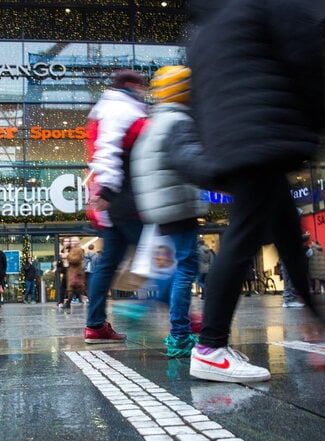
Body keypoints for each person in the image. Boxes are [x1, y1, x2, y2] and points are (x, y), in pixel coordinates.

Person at [173, 2, 325, 383]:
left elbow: (197, 97)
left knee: (286, 230)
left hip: (237, 138)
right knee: (243, 236)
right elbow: (303, 54)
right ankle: (210, 347)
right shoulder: (261, 4)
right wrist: (313, 126)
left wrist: (215, 149)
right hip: (263, 130)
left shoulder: (202, 31)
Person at [130, 65, 208, 358]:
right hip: (177, 204)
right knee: (186, 268)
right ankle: (178, 335)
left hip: (159, 207)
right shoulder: (177, 120)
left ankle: (147, 307)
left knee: (174, 267)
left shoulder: (155, 123)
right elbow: (190, 161)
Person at [84, 68, 148, 343]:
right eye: (142, 86)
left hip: (116, 202)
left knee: (108, 264)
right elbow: (108, 151)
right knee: (157, 257)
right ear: (131, 84)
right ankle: (182, 320)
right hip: (125, 200)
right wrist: (108, 190)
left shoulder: (107, 107)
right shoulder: (120, 107)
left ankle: (96, 324)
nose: (144, 91)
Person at [64, 236, 86, 308]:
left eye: (73, 241)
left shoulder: (78, 250)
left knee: (74, 288)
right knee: (74, 288)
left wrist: (67, 256)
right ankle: (68, 303)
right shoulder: (73, 249)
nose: (71, 242)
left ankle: (68, 303)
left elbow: (76, 260)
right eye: (71, 241)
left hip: (76, 272)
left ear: (77, 242)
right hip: (73, 272)